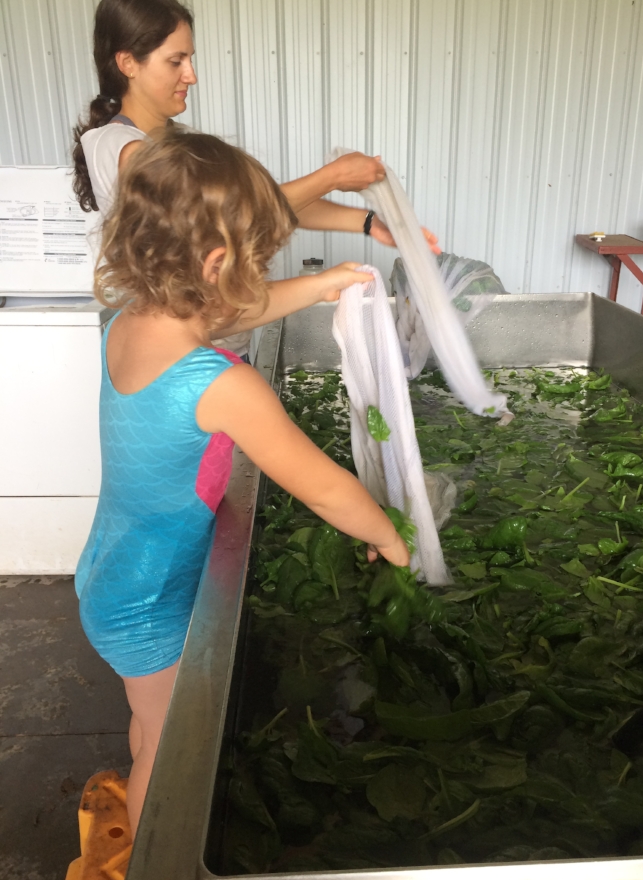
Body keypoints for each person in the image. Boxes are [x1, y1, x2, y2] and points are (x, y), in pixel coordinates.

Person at [75, 128, 411, 836]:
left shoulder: (128, 319)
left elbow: (225, 310)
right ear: (220, 260)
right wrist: (390, 534)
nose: (260, 274)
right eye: (260, 260)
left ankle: (141, 772)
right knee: (166, 757)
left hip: (111, 569)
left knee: (148, 718)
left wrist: (322, 284)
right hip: (150, 602)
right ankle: (151, 861)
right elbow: (322, 488)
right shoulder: (225, 385)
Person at [71, 0, 440, 355]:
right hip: (189, 353)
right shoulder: (124, 149)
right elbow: (231, 217)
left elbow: (261, 201)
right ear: (128, 63)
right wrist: (332, 177)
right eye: (175, 61)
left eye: (191, 59)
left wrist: (369, 221)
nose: (191, 76)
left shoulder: (168, 141)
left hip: (223, 336)